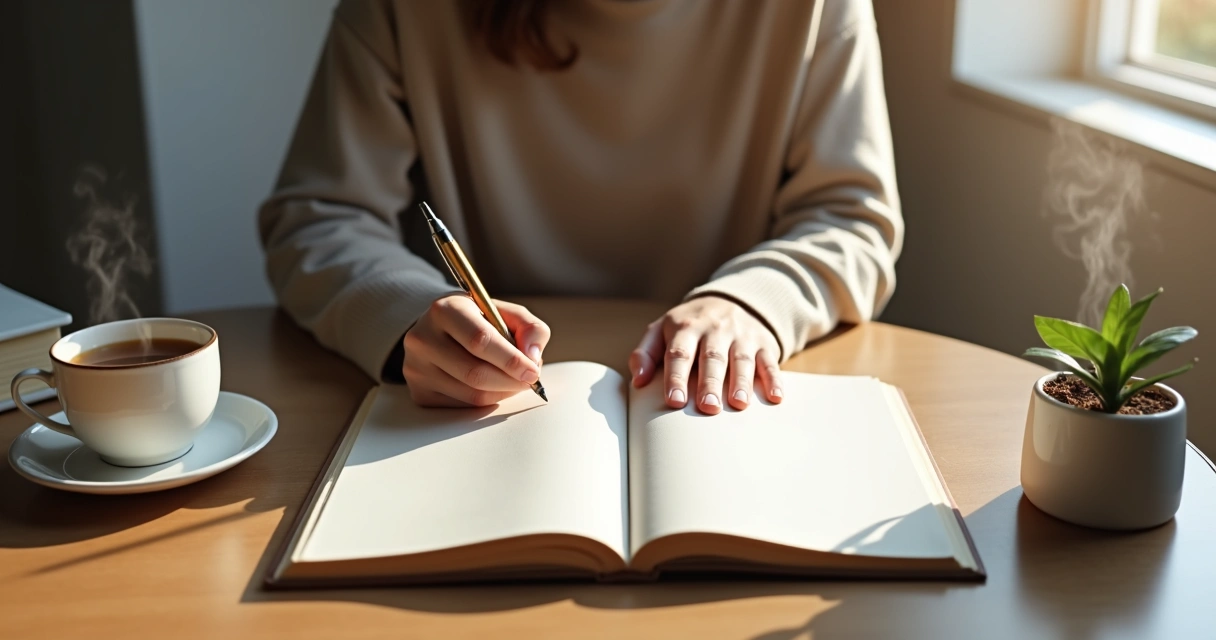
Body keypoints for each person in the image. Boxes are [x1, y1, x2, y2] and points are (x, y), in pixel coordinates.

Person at [258, 0, 902, 415]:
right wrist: (406, 319)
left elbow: (852, 216)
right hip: (478, 400)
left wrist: (752, 300)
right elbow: (318, 218)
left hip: (713, 402)